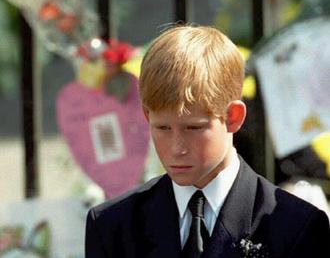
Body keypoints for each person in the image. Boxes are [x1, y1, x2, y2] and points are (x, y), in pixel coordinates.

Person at [85, 25, 330, 257]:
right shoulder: (112, 226)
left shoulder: (297, 226)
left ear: (233, 117)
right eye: (162, 128)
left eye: (194, 128)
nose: (176, 148)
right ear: (147, 115)